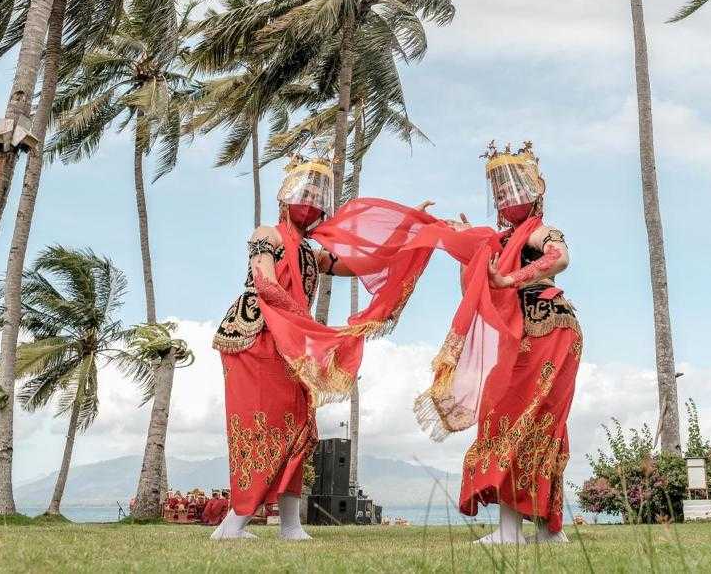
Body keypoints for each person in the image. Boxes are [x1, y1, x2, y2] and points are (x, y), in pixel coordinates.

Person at [210, 155, 435, 541]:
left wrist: (408, 231)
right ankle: (235, 522)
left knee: (301, 426)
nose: (312, 199)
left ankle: (290, 524)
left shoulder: (312, 254)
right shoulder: (269, 234)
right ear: (287, 196)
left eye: (318, 193)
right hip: (256, 336)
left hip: (293, 343)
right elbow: (264, 282)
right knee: (261, 426)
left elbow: (364, 263)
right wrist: (306, 324)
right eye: (306, 190)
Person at [415, 142, 583, 544]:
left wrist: (511, 279)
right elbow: (476, 283)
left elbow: (559, 257)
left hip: (547, 327)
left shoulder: (539, 232)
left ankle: (512, 531)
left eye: (514, 186)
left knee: (515, 416)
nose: (506, 195)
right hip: (531, 332)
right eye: (499, 189)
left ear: (536, 191)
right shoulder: (502, 240)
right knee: (537, 422)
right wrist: (459, 245)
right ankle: (546, 529)